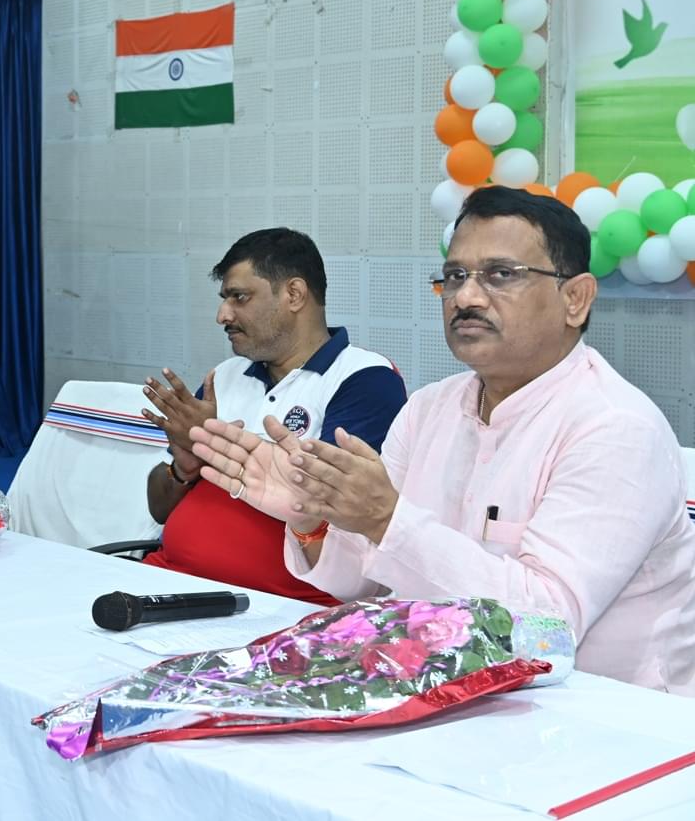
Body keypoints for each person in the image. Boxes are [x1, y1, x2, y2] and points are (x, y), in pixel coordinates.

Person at [190, 187, 695, 694]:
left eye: (501, 275)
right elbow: (360, 583)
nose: (467, 297)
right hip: (443, 692)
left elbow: (546, 630)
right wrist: (311, 519)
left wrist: (387, 519)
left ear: (575, 298)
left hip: (608, 717)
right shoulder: (430, 408)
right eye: (455, 276)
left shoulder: (615, 427)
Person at [138, 228, 407, 604]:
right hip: (169, 578)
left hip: (276, 605)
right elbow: (159, 510)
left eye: (239, 297)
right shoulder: (227, 375)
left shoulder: (364, 378)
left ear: (294, 295)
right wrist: (184, 467)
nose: (222, 315)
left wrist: (222, 449)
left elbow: (332, 508)